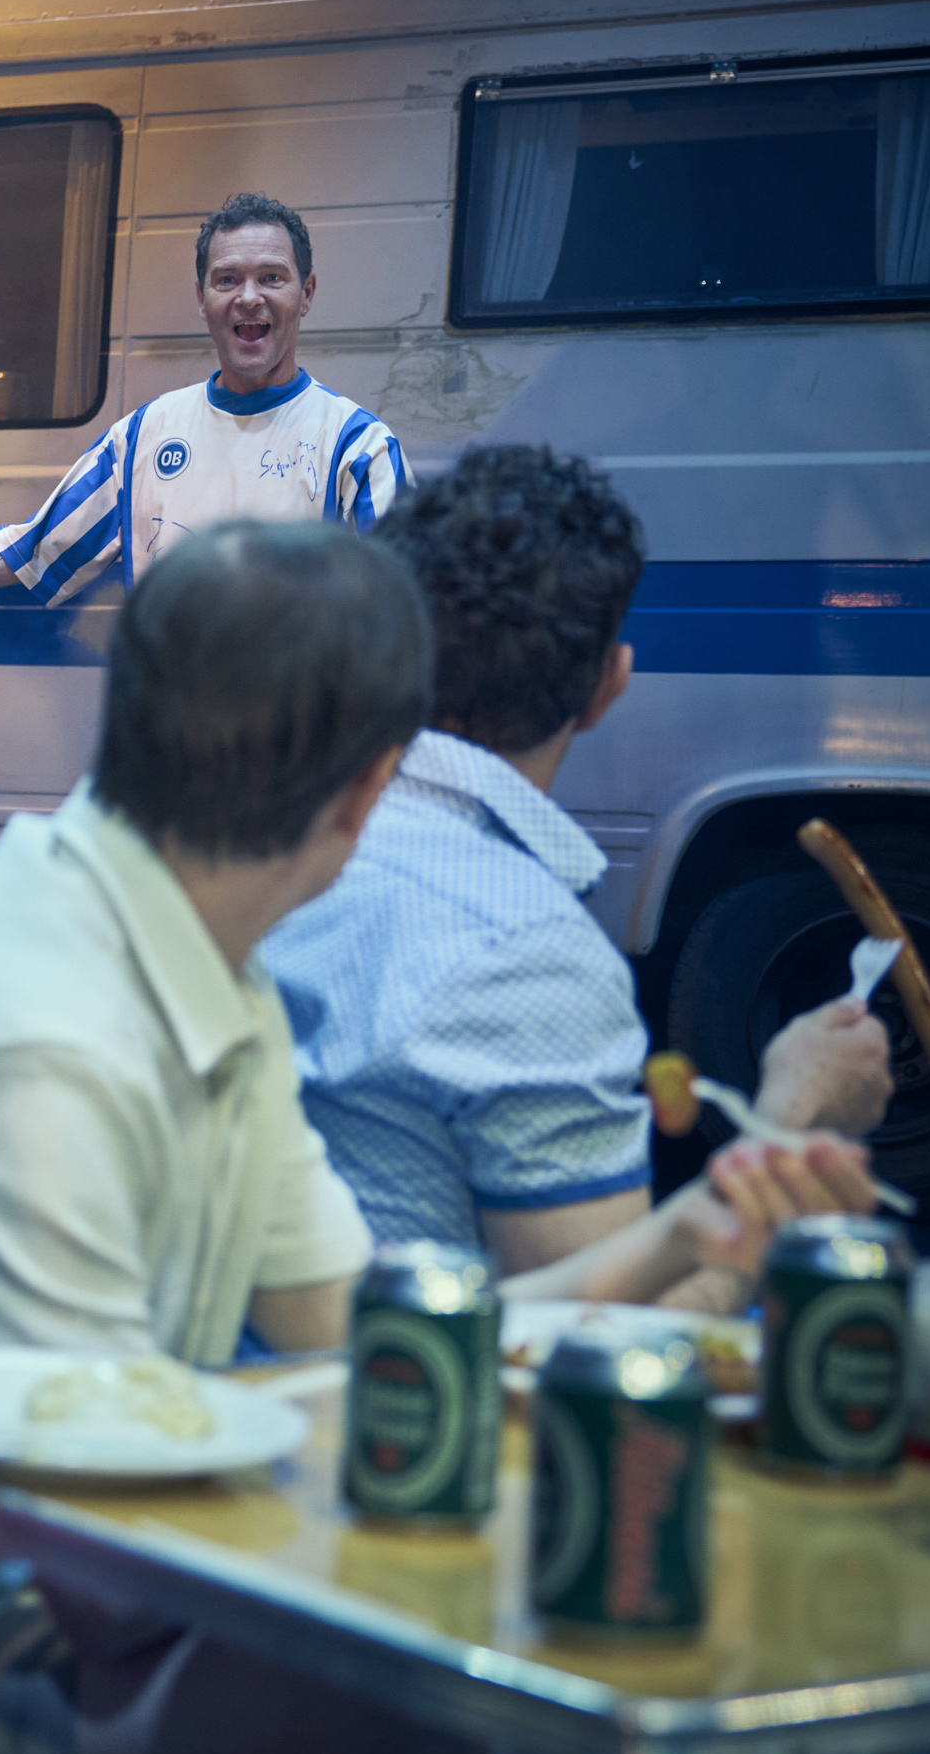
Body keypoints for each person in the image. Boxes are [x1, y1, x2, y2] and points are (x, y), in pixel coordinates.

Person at [0, 523, 877, 1754]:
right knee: (443, 1673)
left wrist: (696, 1222)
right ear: (373, 787)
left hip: (18, 1602)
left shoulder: (181, 962)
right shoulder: (38, 1038)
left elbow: (384, 1339)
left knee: (483, 1663)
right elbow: (107, 1582)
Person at [260, 445, 892, 1309]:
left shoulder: (264, 835)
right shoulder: (529, 952)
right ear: (607, 685)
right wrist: (795, 1119)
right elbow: (610, 1336)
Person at [0, 191, 408, 604]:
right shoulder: (146, 436)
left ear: (306, 293)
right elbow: (30, 547)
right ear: (202, 299)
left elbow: (408, 615)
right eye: (226, 280)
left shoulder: (358, 448)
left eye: (271, 277)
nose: (248, 297)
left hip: (304, 759)